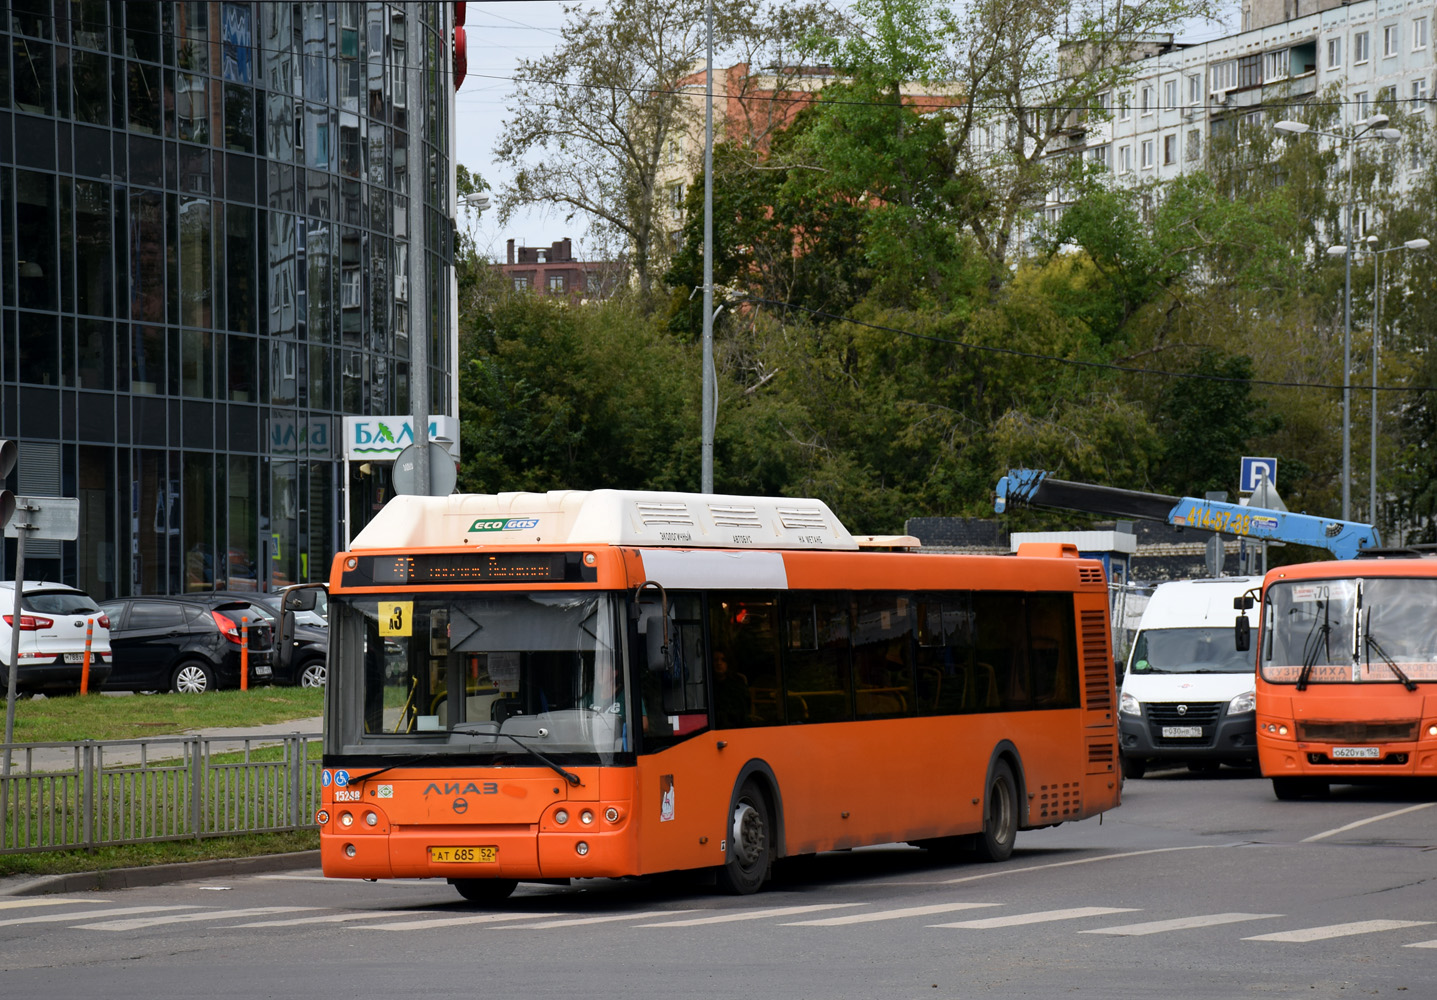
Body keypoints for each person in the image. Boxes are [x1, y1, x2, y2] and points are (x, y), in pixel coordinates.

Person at [712, 649, 750, 729]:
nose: (719, 663)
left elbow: (743, 710)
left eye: (723, 660)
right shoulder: (708, 685)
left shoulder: (737, 683)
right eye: (716, 660)